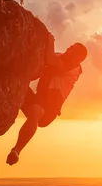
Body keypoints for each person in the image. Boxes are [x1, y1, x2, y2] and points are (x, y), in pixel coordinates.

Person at [6, 36, 88, 166]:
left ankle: (16, 151)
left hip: (50, 108)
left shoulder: (73, 69)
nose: (68, 48)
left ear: (78, 58)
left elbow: (50, 59)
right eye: (70, 46)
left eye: (73, 49)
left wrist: (50, 41)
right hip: (39, 98)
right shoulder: (60, 57)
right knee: (18, 85)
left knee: (35, 112)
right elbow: (44, 61)